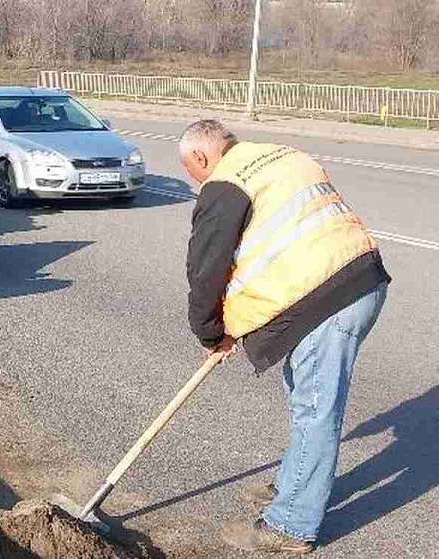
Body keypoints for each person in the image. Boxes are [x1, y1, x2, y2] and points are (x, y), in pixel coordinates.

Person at [179, 120, 390, 553]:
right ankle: (290, 487)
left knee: (316, 409)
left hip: (329, 297)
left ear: (201, 157)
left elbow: (206, 269)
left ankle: (292, 525)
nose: (198, 181)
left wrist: (209, 332)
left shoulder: (227, 182)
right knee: (305, 396)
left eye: (192, 172)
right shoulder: (284, 156)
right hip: (356, 280)